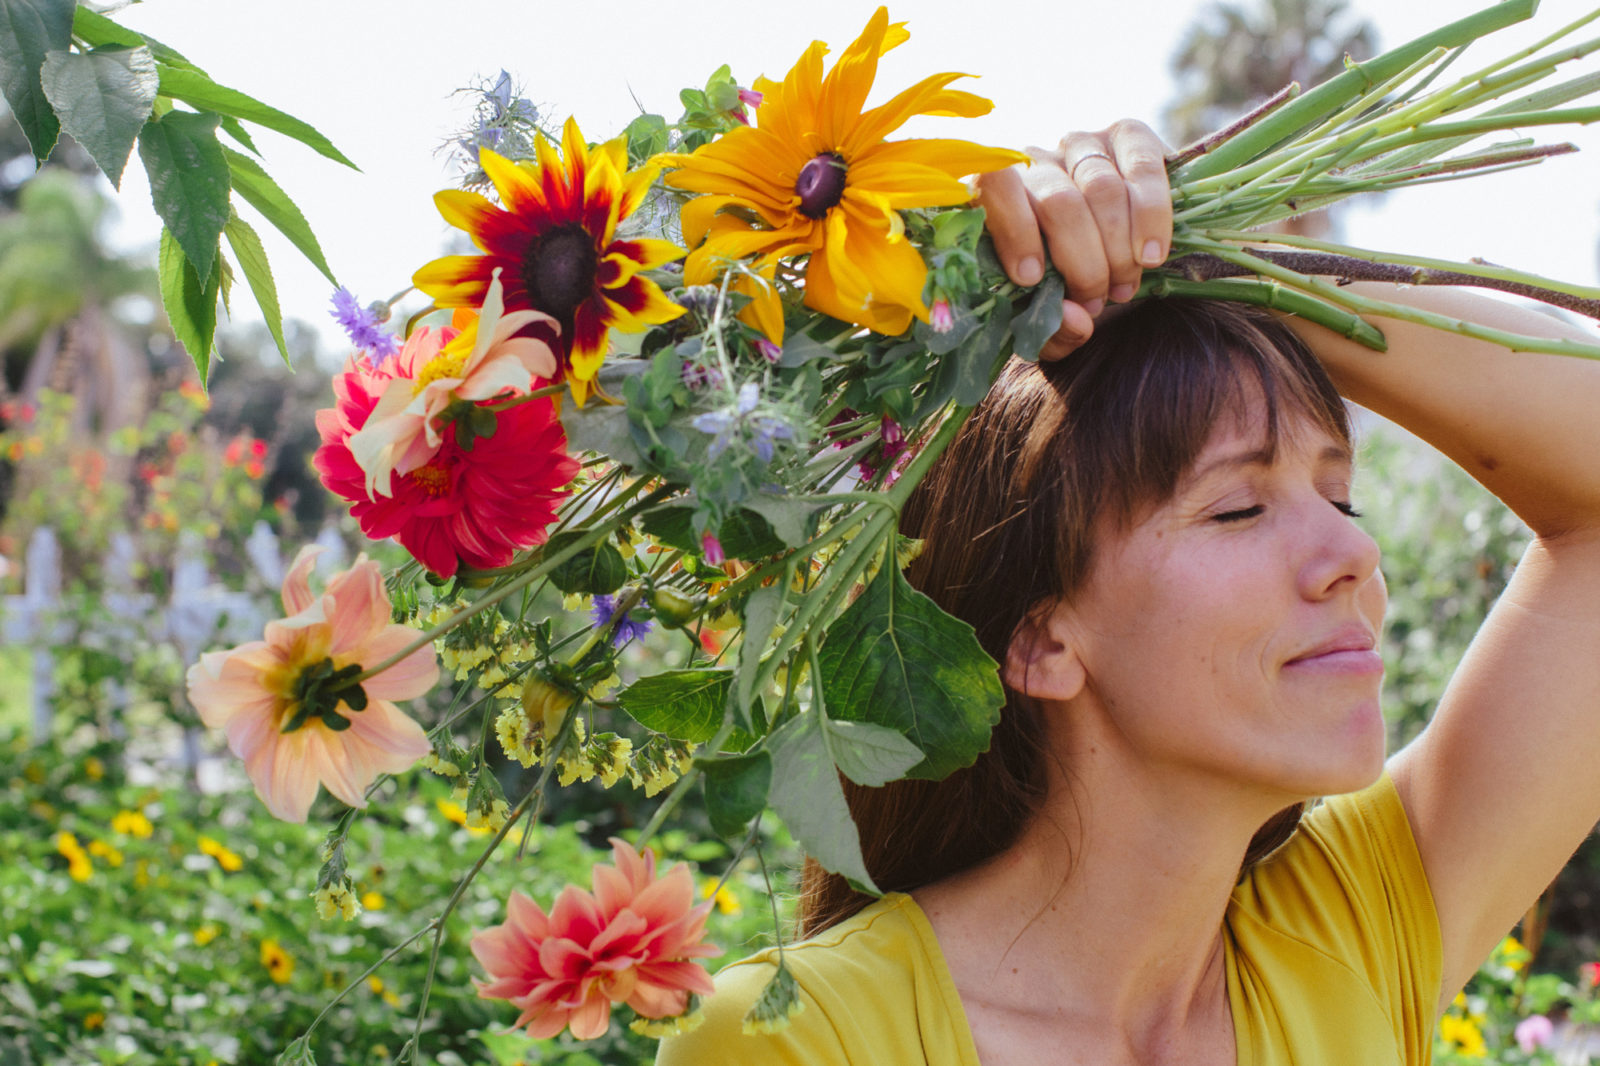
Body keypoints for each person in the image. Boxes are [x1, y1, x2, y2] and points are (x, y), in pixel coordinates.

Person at [657, 120, 1600, 1065]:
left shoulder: (1352, 933)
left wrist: (1212, 260)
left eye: (1340, 494)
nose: (1353, 550)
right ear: (1041, 640)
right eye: (1236, 509)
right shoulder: (800, 1039)